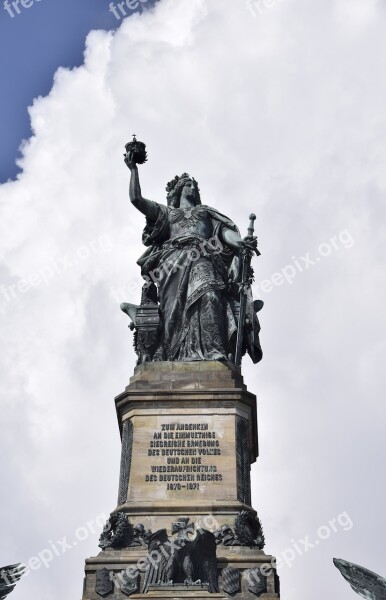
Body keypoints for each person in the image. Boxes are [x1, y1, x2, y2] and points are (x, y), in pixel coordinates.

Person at [125, 151, 262, 363]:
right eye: (188, 184)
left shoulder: (205, 211)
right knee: (172, 312)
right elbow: (136, 199)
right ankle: (171, 354)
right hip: (172, 261)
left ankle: (212, 350)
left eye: (194, 186)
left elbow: (224, 233)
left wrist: (240, 243)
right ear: (178, 189)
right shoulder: (168, 214)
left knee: (210, 296)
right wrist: (133, 169)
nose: (192, 187)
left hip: (203, 257)